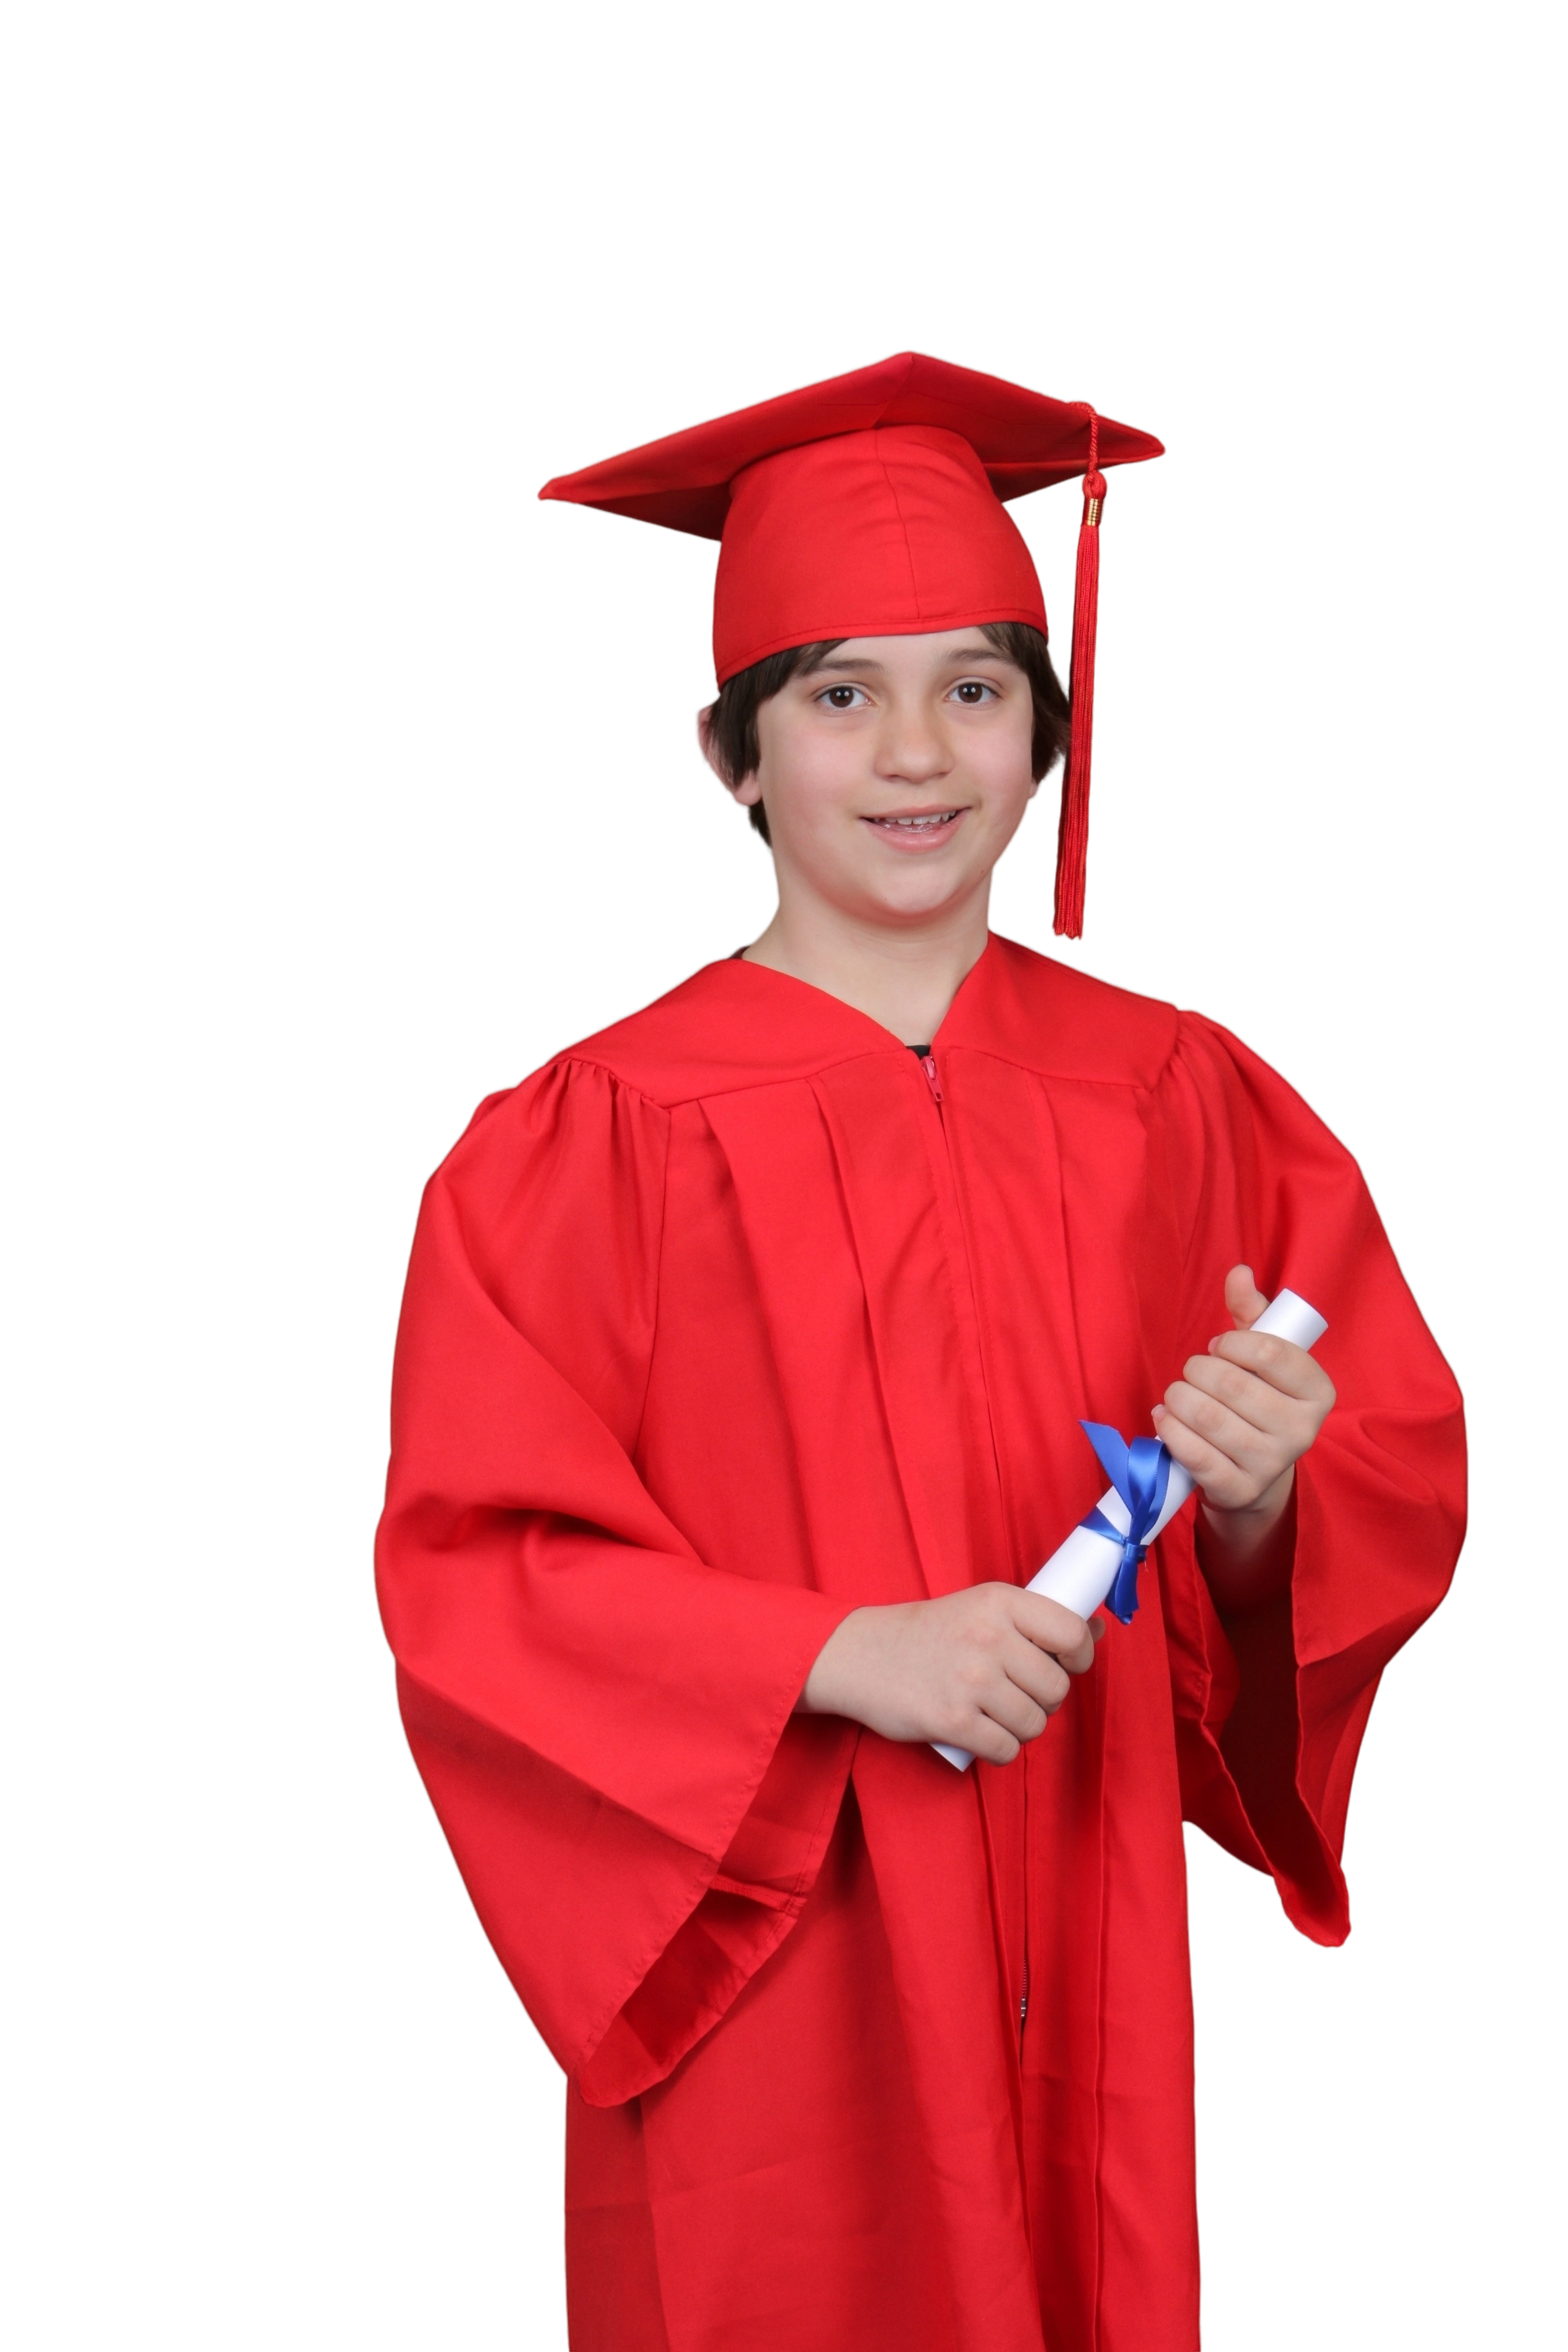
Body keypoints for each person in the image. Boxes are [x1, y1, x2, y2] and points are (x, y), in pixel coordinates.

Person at [372, 349, 1467, 2352]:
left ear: (1047, 728)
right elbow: (481, 1576)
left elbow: (1354, 1509)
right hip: (778, 1944)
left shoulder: (1187, 1099)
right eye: (836, 694)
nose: (914, 753)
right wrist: (834, 1654)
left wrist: (1262, 1498)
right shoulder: (579, 1143)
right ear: (728, 753)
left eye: (975, 688)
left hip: (1087, 1896)